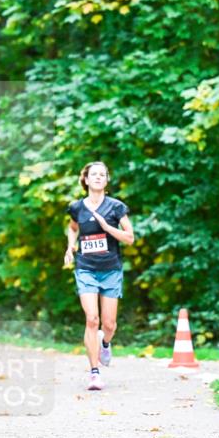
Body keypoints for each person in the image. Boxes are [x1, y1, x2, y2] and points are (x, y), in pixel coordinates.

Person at [64, 161, 135, 391]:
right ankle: (94, 373)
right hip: (85, 269)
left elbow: (130, 238)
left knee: (109, 324)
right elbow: (73, 228)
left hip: (111, 270)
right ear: (85, 179)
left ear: (106, 180)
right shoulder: (77, 208)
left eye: (102, 174)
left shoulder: (116, 207)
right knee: (92, 319)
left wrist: (107, 227)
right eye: (93, 174)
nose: (97, 177)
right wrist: (70, 246)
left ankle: (105, 343)